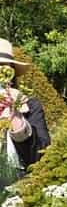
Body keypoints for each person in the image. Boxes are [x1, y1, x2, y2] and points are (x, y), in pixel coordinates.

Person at [0, 40, 50, 176]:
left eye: (2, 68)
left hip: (16, 183)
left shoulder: (30, 106)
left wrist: (15, 113)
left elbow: (41, 156)